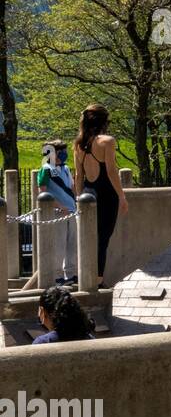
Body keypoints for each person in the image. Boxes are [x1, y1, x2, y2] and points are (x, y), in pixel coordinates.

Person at [73, 104, 128, 287]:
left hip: (87, 194)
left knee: (89, 239)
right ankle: (98, 281)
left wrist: (78, 199)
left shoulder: (79, 144)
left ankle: (87, 278)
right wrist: (122, 196)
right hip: (106, 195)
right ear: (104, 122)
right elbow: (112, 172)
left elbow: (79, 176)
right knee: (102, 239)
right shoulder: (107, 141)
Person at [36, 140, 78, 285]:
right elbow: (43, 192)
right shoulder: (46, 169)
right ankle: (57, 276)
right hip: (58, 213)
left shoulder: (66, 168)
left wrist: (76, 202)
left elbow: (72, 187)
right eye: (62, 151)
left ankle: (71, 275)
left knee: (72, 244)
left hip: (72, 211)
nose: (65, 154)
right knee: (59, 245)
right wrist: (60, 206)